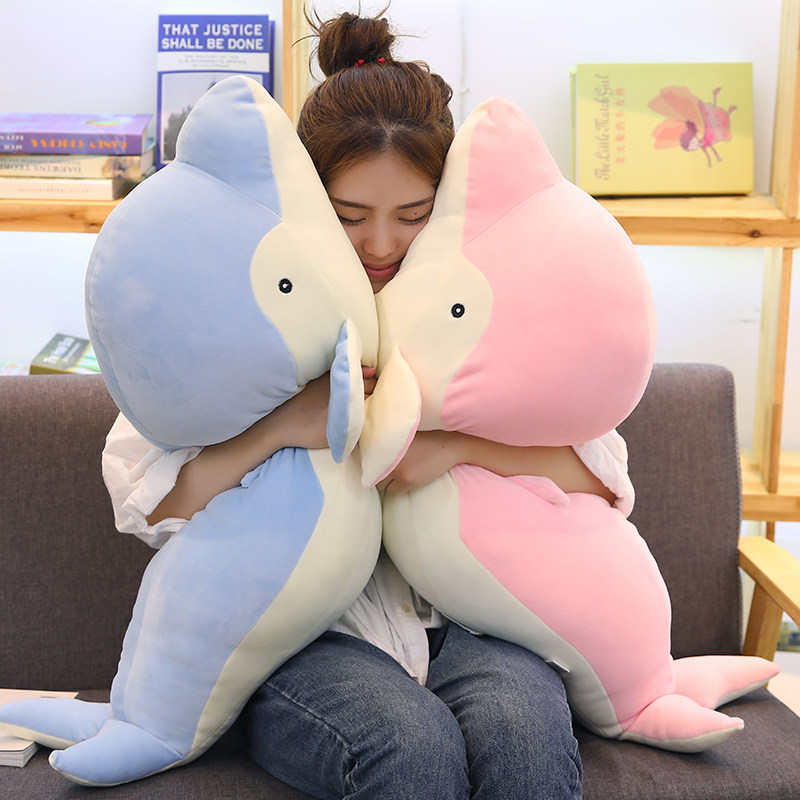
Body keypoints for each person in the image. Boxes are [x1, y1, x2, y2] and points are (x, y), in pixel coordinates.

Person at [102, 10, 634, 799]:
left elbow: (604, 483)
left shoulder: (490, 317)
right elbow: (150, 509)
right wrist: (289, 424)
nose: (381, 245)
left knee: (523, 740)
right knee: (410, 751)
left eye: (412, 217)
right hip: (309, 641)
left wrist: (454, 444)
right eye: (349, 218)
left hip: (476, 624)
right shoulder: (234, 321)